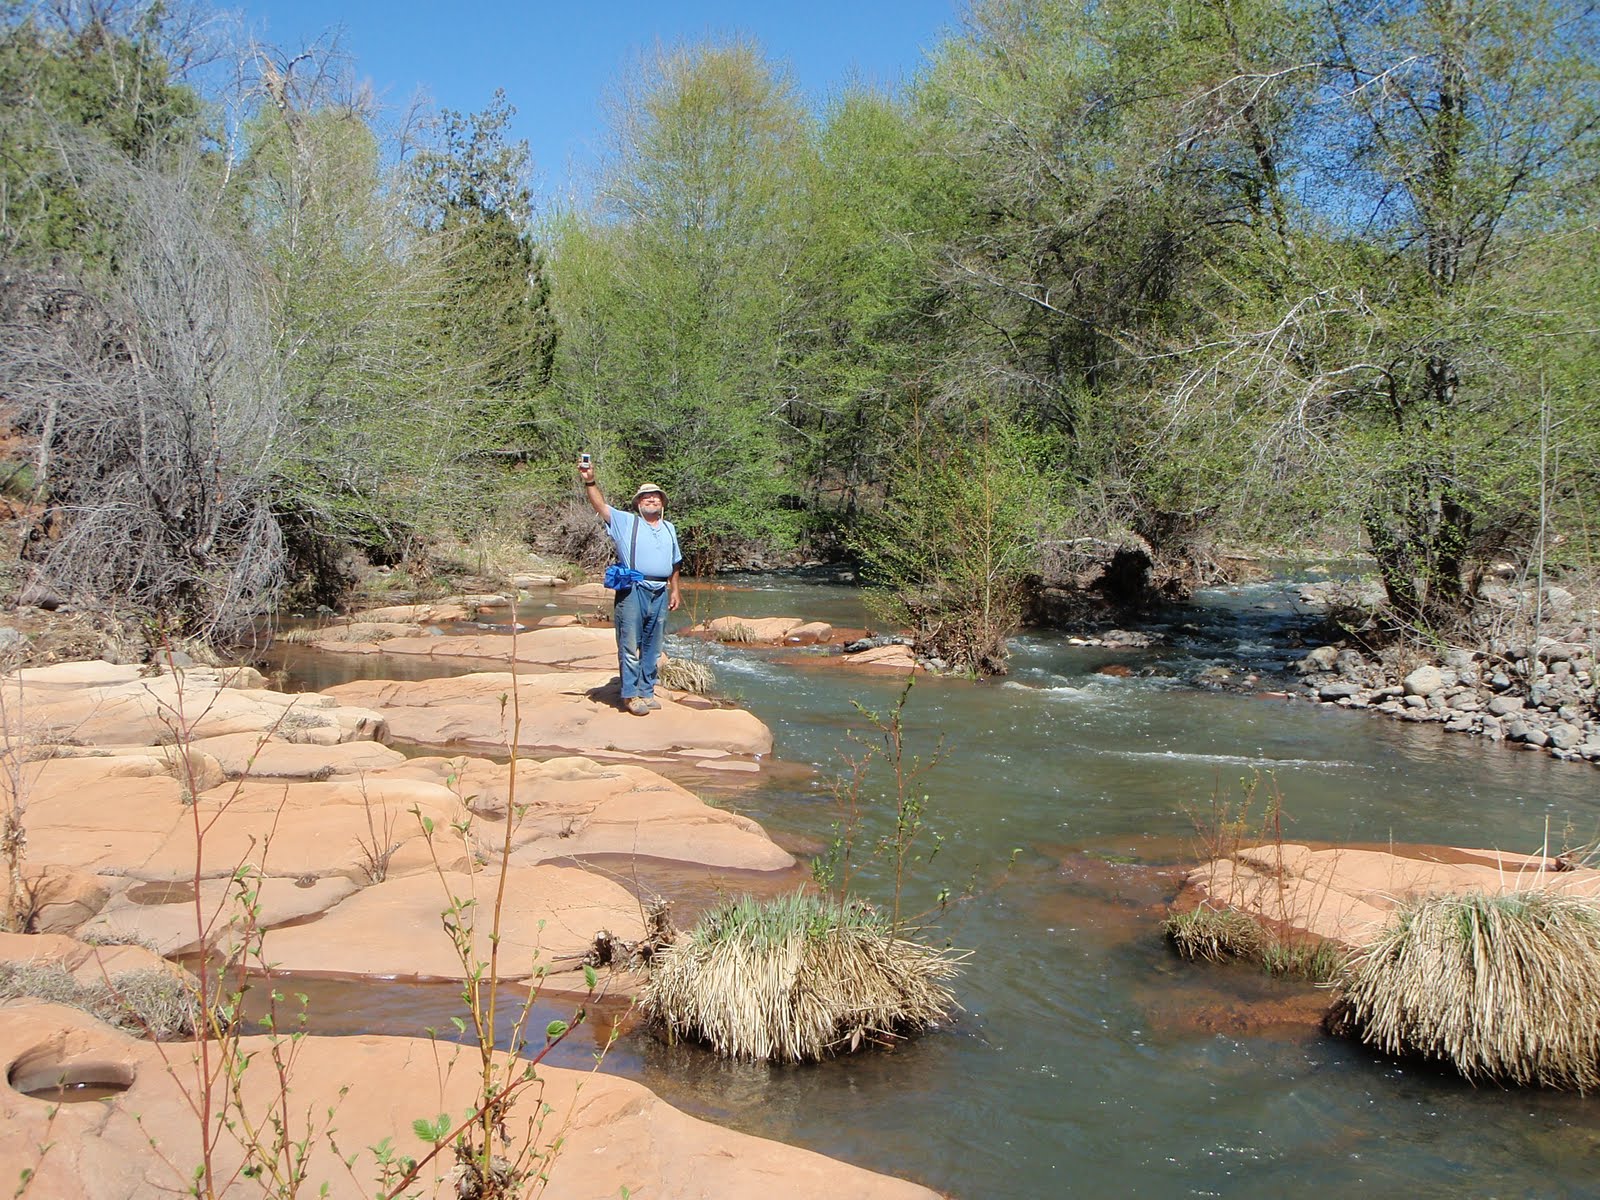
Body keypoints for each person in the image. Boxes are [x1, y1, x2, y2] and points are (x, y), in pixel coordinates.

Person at [579, 458, 683, 715]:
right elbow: (600, 505)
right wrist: (590, 480)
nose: (651, 500)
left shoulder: (669, 528)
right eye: (646, 497)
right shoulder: (626, 522)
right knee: (629, 644)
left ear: (662, 503)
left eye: (656, 497)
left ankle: (647, 691)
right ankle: (630, 695)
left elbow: (676, 562)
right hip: (633, 590)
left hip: (660, 592)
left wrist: (675, 589)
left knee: (653, 645)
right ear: (638, 503)